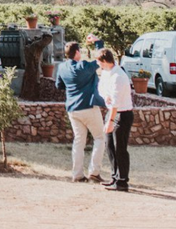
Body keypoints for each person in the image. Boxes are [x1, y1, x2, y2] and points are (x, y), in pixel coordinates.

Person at [54, 40, 106, 183]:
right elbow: (100, 59)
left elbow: (59, 85)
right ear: (77, 52)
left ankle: (77, 174)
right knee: (100, 138)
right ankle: (94, 172)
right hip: (88, 106)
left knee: (79, 141)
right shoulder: (84, 66)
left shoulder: (62, 67)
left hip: (72, 108)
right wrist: (98, 43)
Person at [97, 48, 134, 192]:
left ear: (105, 61)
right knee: (109, 146)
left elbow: (116, 102)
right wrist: (105, 96)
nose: (98, 64)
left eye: (99, 61)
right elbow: (101, 88)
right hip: (112, 112)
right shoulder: (107, 73)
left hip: (122, 114)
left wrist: (111, 121)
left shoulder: (118, 76)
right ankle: (115, 177)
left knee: (120, 149)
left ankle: (123, 181)